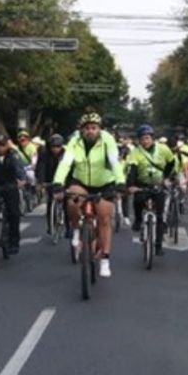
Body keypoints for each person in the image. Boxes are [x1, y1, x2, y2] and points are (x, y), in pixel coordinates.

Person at [53, 112, 126, 278]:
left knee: (104, 219)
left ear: (99, 129)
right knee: (71, 201)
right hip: (82, 182)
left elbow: (114, 162)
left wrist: (121, 182)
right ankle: (77, 230)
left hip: (104, 183)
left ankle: (105, 260)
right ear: (82, 130)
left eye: (94, 128)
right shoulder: (75, 141)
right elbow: (65, 163)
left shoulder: (107, 140)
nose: (90, 131)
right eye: (87, 128)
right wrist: (58, 182)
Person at [126, 125, 176, 255]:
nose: (145, 141)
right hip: (142, 184)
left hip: (158, 184)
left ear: (152, 138)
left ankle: (158, 246)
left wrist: (166, 177)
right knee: (138, 199)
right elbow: (132, 170)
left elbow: (171, 162)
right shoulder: (135, 152)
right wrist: (131, 185)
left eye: (147, 138)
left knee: (159, 216)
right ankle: (137, 219)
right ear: (139, 140)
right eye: (142, 139)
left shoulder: (163, 149)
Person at [36, 134, 67, 237]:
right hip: (49, 178)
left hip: (63, 179)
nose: (55, 149)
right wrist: (40, 182)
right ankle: (51, 225)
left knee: (67, 202)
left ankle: (68, 225)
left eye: (58, 146)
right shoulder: (44, 153)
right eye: (53, 146)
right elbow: (41, 167)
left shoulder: (66, 154)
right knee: (50, 201)